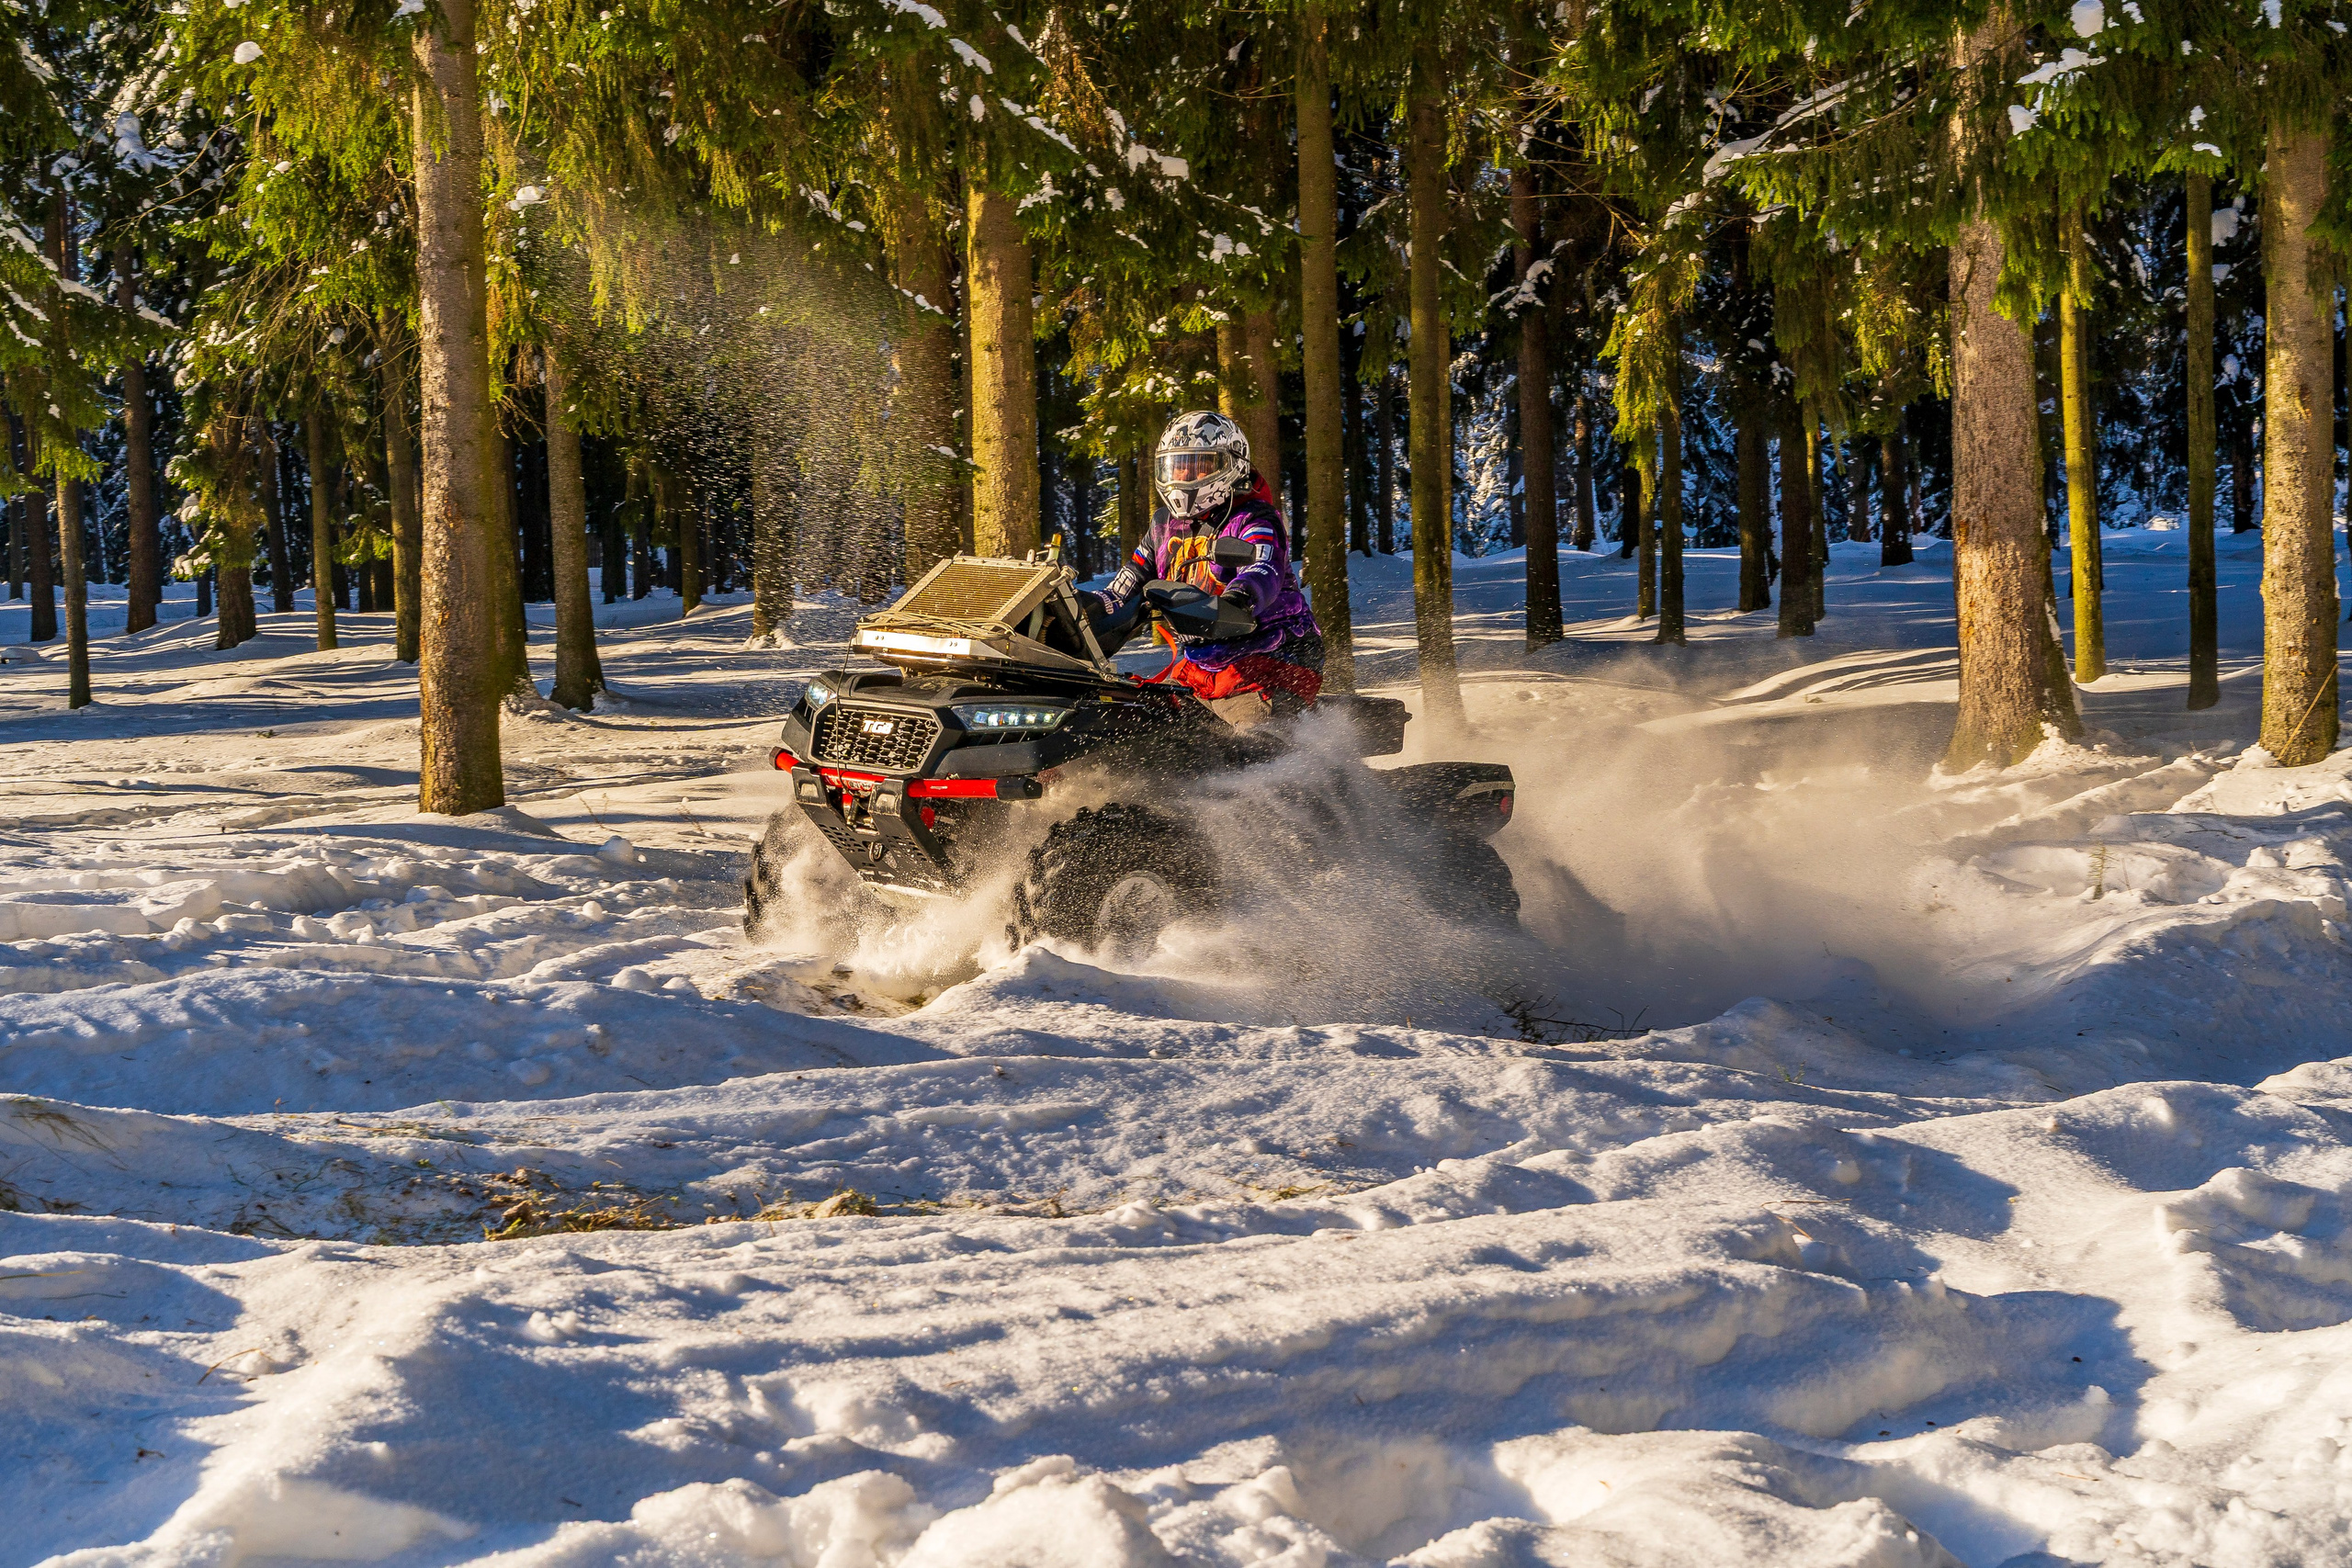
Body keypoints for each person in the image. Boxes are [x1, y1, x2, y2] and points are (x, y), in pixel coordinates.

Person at [1091, 411, 1324, 728]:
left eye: (1200, 466)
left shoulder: (1256, 519)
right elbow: (1128, 582)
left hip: (1274, 657)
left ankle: (1291, 772)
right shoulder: (1163, 526)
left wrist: (1240, 599)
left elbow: (1263, 566)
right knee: (1140, 724)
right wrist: (1085, 608)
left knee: (1253, 740)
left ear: (1232, 465)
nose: (1185, 477)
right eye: (1178, 466)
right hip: (1203, 666)